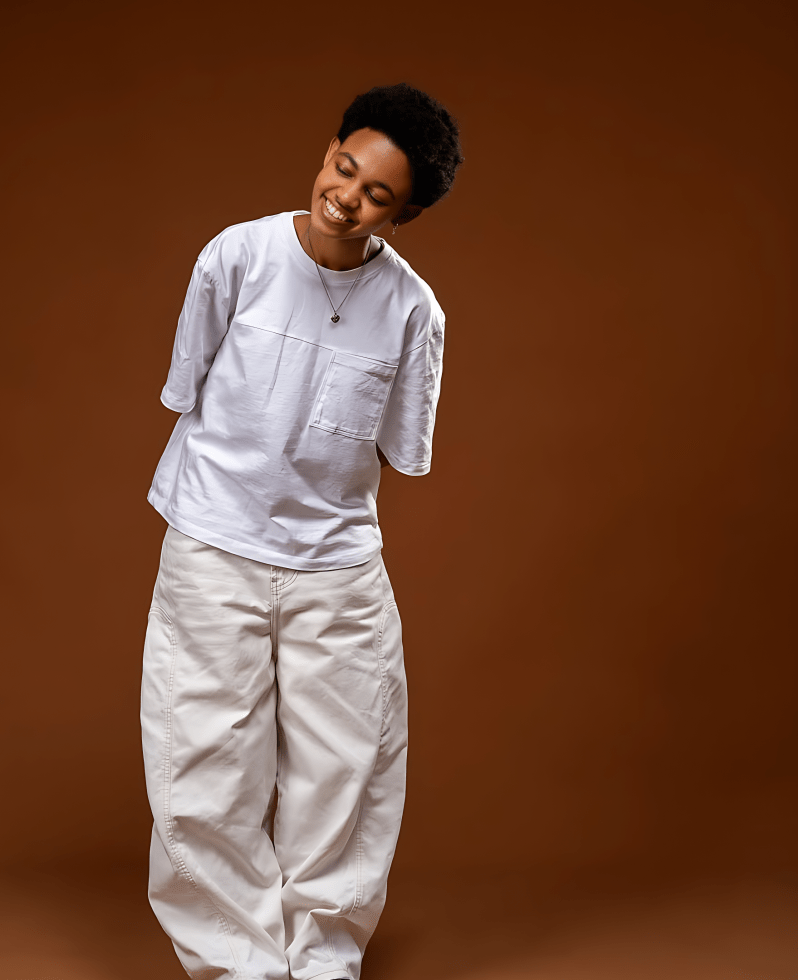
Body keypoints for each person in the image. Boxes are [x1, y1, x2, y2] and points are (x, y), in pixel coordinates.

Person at [140, 81, 463, 980]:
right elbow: (187, 389)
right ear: (329, 149)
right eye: (343, 167)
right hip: (213, 545)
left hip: (337, 569)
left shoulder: (415, 313)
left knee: (349, 772)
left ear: (404, 215)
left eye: (376, 194)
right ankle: (238, 967)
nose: (345, 196)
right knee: (200, 767)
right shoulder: (236, 257)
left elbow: (400, 449)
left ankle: (323, 964)